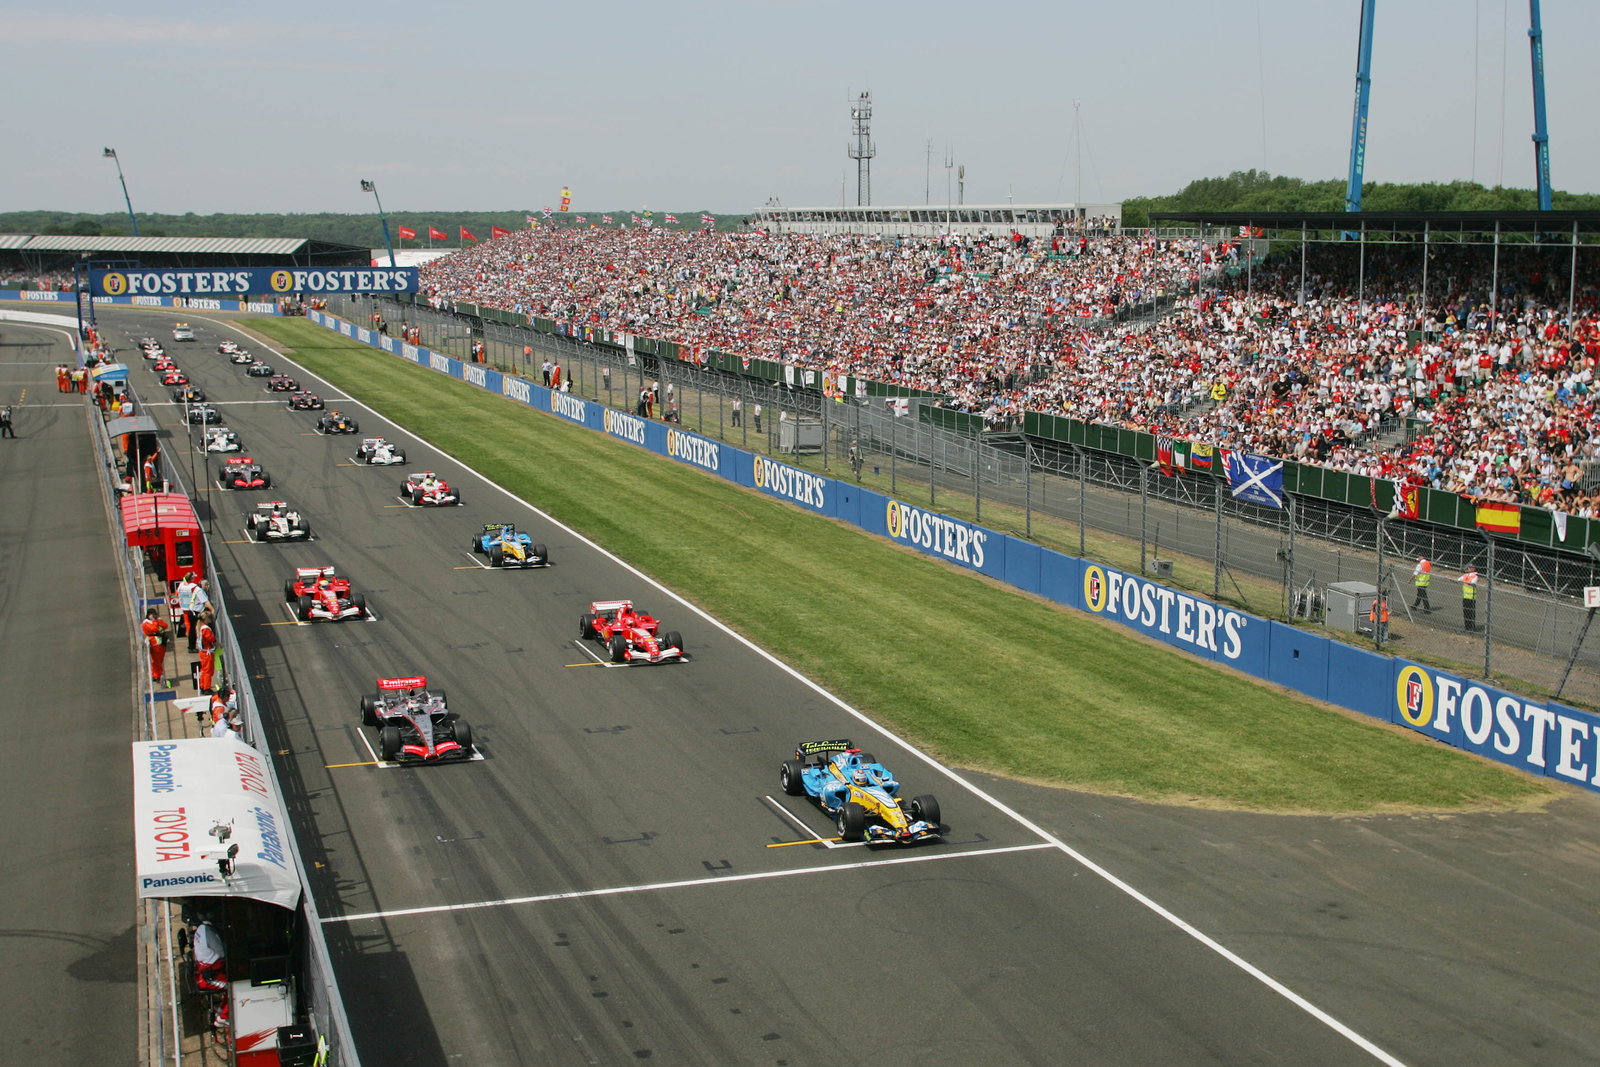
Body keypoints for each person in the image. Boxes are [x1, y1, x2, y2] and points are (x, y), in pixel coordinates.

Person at [175, 572, 206, 651]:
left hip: (184, 608)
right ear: (191, 578)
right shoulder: (193, 586)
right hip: (192, 609)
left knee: (188, 624)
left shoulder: (181, 585)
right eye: (193, 577)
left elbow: (176, 594)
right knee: (193, 626)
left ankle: (190, 639)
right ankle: (194, 642)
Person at [141, 608, 170, 687]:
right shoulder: (146, 622)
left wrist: (157, 622)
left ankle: (156, 674)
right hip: (154, 643)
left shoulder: (157, 620)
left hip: (161, 642)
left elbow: (165, 625)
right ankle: (158, 675)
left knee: (160, 660)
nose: (153, 616)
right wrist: (156, 622)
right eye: (152, 615)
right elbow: (154, 629)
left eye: (154, 614)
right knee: (156, 661)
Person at [196, 610, 217, 692]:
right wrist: (215, 641)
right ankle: (207, 688)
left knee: (204, 670)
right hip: (207, 652)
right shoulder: (205, 629)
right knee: (208, 670)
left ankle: (203, 685)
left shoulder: (199, 627)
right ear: (206, 619)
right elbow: (210, 638)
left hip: (203, 651)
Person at [1461, 566, 1480, 632]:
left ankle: (1472, 627)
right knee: (1465, 612)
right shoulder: (1466, 575)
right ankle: (1467, 627)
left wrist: (1465, 581)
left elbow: (1472, 582)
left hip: (1471, 597)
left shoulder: (1475, 576)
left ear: (1473, 569)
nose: (1468, 569)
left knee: (1471, 613)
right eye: (1468, 567)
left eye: (1470, 568)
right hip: (1465, 596)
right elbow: (1459, 579)